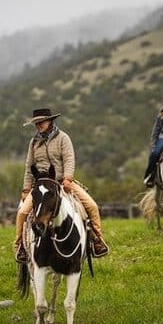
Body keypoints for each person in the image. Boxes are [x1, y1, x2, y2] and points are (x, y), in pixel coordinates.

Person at [14, 108, 109, 263]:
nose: (38, 125)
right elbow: (28, 166)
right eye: (36, 123)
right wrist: (26, 189)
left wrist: (67, 178)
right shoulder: (33, 142)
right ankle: (20, 247)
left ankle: (96, 241)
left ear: (50, 121)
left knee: (91, 206)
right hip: (41, 185)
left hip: (61, 181)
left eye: (41, 122)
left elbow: (69, 160)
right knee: (22, 212)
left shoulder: (63, 138)